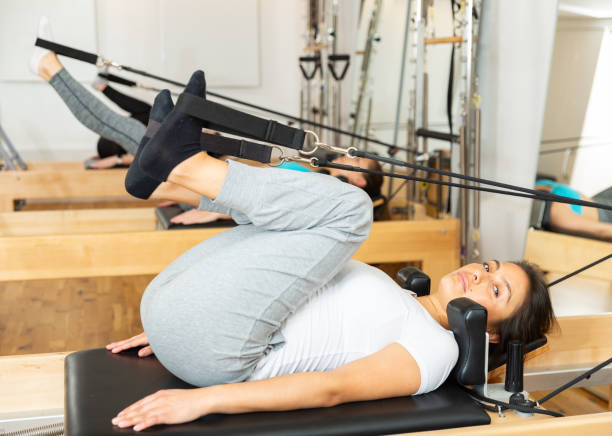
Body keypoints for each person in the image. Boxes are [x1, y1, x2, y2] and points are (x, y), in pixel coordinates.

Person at [102, 71, 556, 432]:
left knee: (353, 210)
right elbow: (276, 281)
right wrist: (189, 311)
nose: (479, 274)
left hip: (221, 357)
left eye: (496, 290)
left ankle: (179, 164)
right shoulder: (399, 295)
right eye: (489, 267)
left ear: (492, 334)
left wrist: (202, 400)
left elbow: (332, 389)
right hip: (190, 324)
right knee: (295, 221)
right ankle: (171, 171)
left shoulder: (433, 351)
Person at [535, 179, 612, 241]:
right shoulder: (557, 217)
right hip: (603, 218)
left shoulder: (536, 185)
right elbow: (601, 231)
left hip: (596, 202)